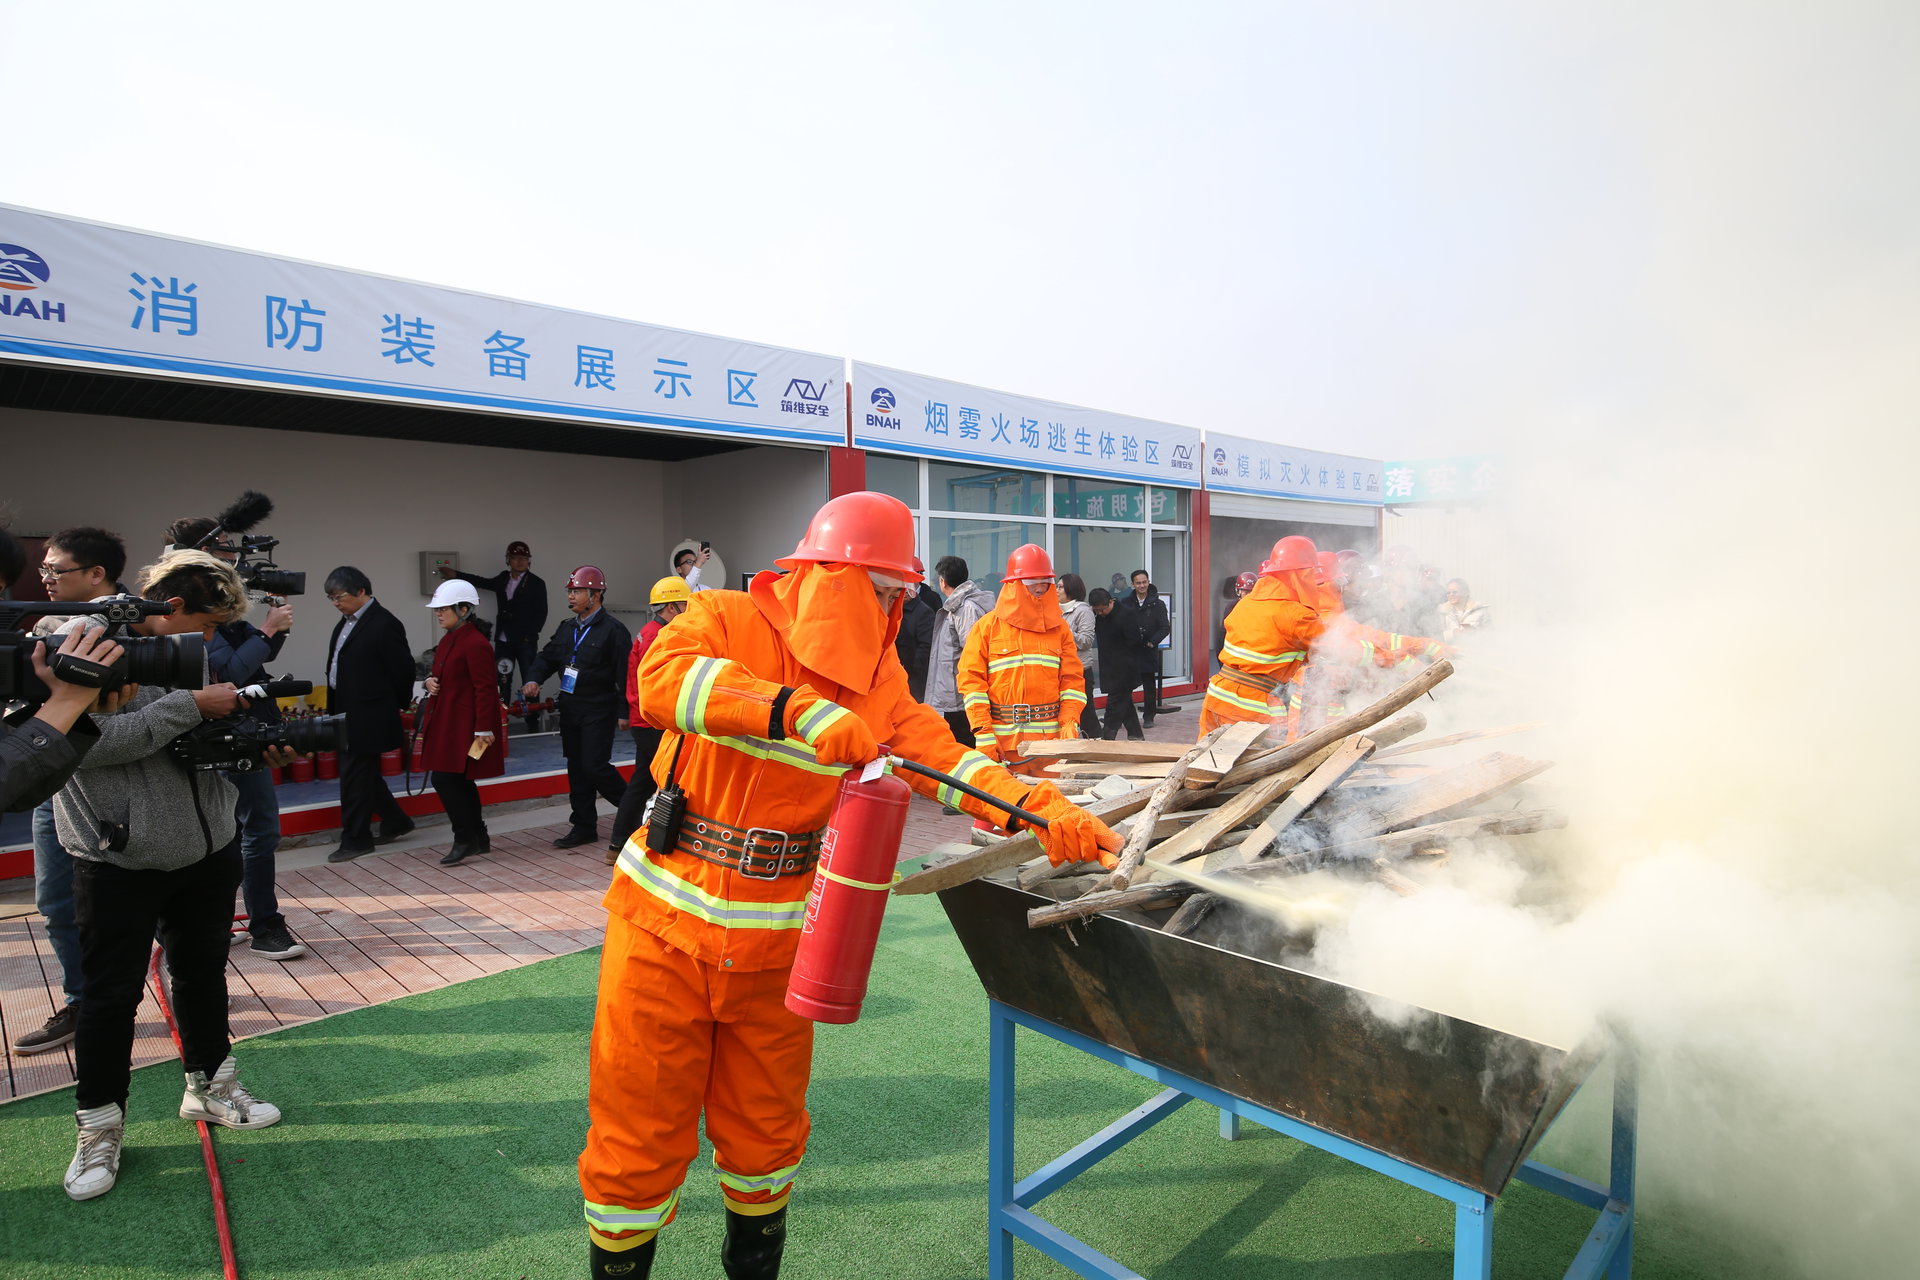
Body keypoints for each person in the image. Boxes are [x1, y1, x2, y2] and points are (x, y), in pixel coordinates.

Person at [579, 492, 1121, 1280]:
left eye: (900, 594)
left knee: (766, 1137)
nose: (897, 608)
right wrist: (788, 710)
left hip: (781, 944)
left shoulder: (877, 680)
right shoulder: (729, 617)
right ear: (832, 575)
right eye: (883, 591)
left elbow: (943, 757)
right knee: (635, 1135)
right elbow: (663, 683)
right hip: (664, 925)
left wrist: (1036, 806)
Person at [54, 550, 294, 1202]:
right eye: (208, 624)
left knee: (201, 974)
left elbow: (198, 744)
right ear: (172, 608)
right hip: (115, 858)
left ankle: (212, 1087)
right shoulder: (76, 646)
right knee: (109, 999)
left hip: (208, 847)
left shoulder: (193, 654)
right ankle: (99, 1127)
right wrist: (188, 706)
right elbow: (84, 743)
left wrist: (250, 745)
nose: (212, 640)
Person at [165, 515, 306, 962]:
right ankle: (264, 926)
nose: (234, 553)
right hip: (223, 731)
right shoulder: (188, 608)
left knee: (232, 831)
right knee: (256, 829)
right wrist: (266, 630)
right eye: (224, 546)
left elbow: (251, 662)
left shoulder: (205, 602)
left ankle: (224, 923)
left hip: (235, 727)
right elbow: (227, 674)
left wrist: (273, 631)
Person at [13, 526, 129, 1056]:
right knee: (56, 901)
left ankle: (172, 984)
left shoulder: (140, 625)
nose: (45, 579)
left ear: (96, 574)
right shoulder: (43, 628)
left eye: (55, 570)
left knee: (139, 905)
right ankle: (83, 1001)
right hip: (50, 784)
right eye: (43, 570)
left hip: (117, 792)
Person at [957, 545, 1087, 784]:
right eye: (1031, 581)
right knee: (998, 814)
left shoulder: (1060, 629)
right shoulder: (987, 628)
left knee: (1049, 813)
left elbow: (1072, 682)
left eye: (1045, 581)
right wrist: (983, 732)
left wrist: (1070, 721)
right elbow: (971, 684)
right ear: (1014, 584)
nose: (1039, 587)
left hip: (1050, 747)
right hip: (1003, 745)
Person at [523, 566, 631, 849]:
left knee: (594, 765)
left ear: (595, 595)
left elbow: (625, 674)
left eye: (577, 591)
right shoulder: (566, 628)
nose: (571, 596)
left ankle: (635, 812)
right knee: (577, 768)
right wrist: (534, 679)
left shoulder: (613, 631)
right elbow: (547, 658)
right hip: (571, 707)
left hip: (599, 707)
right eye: (570, 591)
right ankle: (583, 826)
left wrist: (625, 711)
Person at [323, 567, 417, 862]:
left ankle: (356, 838)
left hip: (369, 712)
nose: (336, 603)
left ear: (361, 591)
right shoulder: (345, 623)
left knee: (353, 777)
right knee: (362, 774)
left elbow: (402, 670)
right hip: (345, 709)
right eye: (331, 598)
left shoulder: (384, 623)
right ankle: (396, 820)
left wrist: (395, 705)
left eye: (339, 596)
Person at [1198, 536, 1325, 737]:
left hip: (1218, 696)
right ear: (1300, 575)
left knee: (1205, 762)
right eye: (1311, 574)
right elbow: (1338, 646)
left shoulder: (1246, 603)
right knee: (1261, 766)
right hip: (1253, 707)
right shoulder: (1297, 615)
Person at [419, 580, 506, 865]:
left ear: (464, 609)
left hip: (464, 727)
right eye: (437, 610)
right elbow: (445, 674)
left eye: (444, 609)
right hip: (449, 722)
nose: (439, 614)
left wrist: (483, 729)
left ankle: (465, 838)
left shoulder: (475, 643)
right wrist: (430, 681)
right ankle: (478, 837)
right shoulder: (450, 639)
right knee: (459, 781)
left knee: (446, 779)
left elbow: (485, 688)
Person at [608, 575, 690, 865]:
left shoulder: (649, 631)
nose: (687, 609)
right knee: (666, 780)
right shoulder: (658, 636)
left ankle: (619, 842)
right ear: (671, 606)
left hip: (645, 720)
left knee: (642, 781)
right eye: (684, 604)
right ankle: (651, 841)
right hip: (652, 722)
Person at [444, 541, 548, 729]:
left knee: (530, 679)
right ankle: (502, 720)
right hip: (504, 639)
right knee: (502, 679)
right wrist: (456, 576)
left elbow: (541, 613)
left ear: (529, 561)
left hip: (525, 641)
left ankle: (532, 722)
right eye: (515, 558)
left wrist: (530, 634)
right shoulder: (503, 578)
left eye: (523, 558)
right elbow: (483, 582)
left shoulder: (537, 583)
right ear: (508, 560)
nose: (519, 562)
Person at [925, 555, 993, 747]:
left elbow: (973, 655)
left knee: (962, 747)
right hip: (954, 694)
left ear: (942, 581)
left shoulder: (965, 608)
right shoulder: (959, 606)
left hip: (960, 696)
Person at [1116, 570, 1174, 726]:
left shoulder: (1158, 603)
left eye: (1144, 582)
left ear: (1148, 582)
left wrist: (1152, 642)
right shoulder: (1126, 603)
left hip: (1148, 650)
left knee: (1148, 685)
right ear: (1132, 585)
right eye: (1138, 583)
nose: (1142, 585)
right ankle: (1123, 716)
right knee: (1125, 685)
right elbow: (1119, 624)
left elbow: (1164, 627)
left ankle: (1149, 716)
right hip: (1130, 650)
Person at [1090, 588, 1144, 740]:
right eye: (1097, 610)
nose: (1100, 613)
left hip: (1125, 669)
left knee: (1114, 706)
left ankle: (1107, 739)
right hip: (1109, 667)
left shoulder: (1126, 614)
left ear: (1110, 602)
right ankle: (1136, 736)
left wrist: (1126, 661)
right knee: (1124, 703)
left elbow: (1135, 643)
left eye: (1102, 609)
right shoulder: (1099, 617)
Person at [1057, 573, 1100, 738]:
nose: (1057, 590)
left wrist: (1065, 631)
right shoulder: (1056, 610)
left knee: (1085, 712)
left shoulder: (1083, 611)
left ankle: (1095, 745)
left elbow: (1086, 641)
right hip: (1061, 670)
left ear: (1071, 589)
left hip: (1080, 670)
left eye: (1060, 587)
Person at [893, 561, 939, 703]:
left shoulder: (923, 612)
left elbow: (925, 647)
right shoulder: (893, 609)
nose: (905, 592)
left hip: (913, 679)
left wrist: (911, 671)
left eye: (909, 587)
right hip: (894, 674)